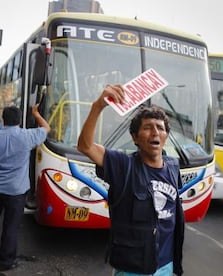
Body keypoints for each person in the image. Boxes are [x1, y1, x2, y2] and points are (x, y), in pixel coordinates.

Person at [77, 85, 184, 276]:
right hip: (132, 269)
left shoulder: (173, 167)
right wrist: (97, 107)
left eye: (160, 128)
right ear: (135, 138)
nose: (155, 133)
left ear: (166, 136)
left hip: (166, 265)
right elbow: (85, 146)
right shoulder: (123, 165)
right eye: (147, 128)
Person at [0, 104, 50, 271]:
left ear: (3, 119)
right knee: (11, 227)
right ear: (19, 120)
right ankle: (5, 261)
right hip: (16, 192)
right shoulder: (28, 136)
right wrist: (35, 113)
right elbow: (47, 128)